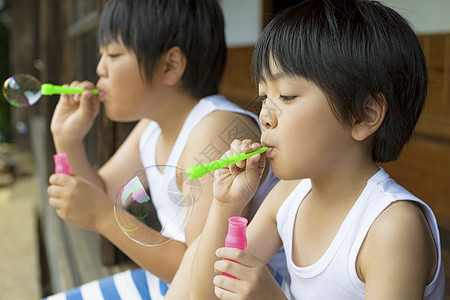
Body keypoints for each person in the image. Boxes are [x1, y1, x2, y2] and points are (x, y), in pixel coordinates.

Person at [191, 0, 445, 299]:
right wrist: (227, 205)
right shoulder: (289, 195)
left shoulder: (392, 228)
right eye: (263, 97)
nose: (265, 116)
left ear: (364, 114)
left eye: (285, 96)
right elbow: (205, 295)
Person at [44, 0, 289, 299]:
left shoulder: (217, 130)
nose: (100, 68)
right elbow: (101, 191)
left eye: (113, 54)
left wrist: (102, 218)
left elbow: (202, 274)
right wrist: (67, 138)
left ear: (170, 65)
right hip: (170, 281)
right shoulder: (152, 126)